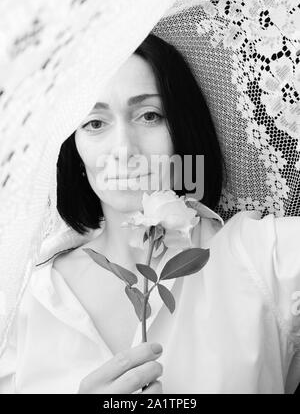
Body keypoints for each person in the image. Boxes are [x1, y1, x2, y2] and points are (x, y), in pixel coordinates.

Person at [0, 34, 299, 394]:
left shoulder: (265, 258)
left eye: (150, 115)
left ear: (182, 131)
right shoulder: (21, 302)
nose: (124, 149)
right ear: (74, 150)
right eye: (95, 122)